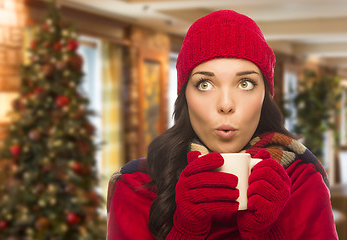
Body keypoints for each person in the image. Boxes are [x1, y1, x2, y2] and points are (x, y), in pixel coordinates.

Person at [106, 10, 338, 239]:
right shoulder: (135, 184)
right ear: (184, 96)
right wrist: (186, 232)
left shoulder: (302, 179)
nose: (226, 105)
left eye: (245, 83)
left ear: (264, 96)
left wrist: (264, 234)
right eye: (205, 84)